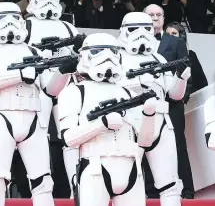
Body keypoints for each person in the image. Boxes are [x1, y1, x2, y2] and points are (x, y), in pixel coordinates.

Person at [0, 2, 56, 206]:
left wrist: (64, 71)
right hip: (1, 116)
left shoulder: (35, 51)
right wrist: (19, 75)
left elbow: (50, 90)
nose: (9, 23)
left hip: (33, 117)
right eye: (1, 17)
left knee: (43, 180)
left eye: (15, 17)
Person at [58, 33, 158, 206]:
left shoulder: (128, 93)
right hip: (95, 166)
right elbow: (68, 138)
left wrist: (149, 114)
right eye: (98, 52)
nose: (107, 57)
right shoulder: (74, 92)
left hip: (131, 167)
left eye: (112, 51)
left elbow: (146, 142)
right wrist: (101, 124)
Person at [117, 12, 191, 206]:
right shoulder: (116, 57)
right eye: (135, 29)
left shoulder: (158, 58)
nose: (141, 34)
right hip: (128, 123)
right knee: (128, 182)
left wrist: (182, 78)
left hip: (160, 121)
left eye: (146, 29)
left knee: (170, 185)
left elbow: (174, 95)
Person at [24, 0, 85, 198]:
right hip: (38, 85)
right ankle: (41, 188)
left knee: (70, 137)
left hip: (65, 84)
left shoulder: (68, 27)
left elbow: (81, 56)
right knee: (38, 137)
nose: (49, 1)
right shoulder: (26, 26)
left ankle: (75, 186)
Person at [143, 4, 194, 199]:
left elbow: (185, 70)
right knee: (146, 144)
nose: (155, 18)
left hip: (172, 104)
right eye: (151, 15)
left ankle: (187, 189)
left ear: (163, 19)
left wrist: (182, 96)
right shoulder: (133, 43)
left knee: (178, 145)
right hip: (145, 105)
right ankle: (150, 190)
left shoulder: (174, 42)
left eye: (159, 15)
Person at [165, 21, 208, 95]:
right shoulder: (160, 56)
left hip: (190, 100)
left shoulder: (191, 55)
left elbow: (202, 82)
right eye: (167, 34)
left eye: (174, 33)